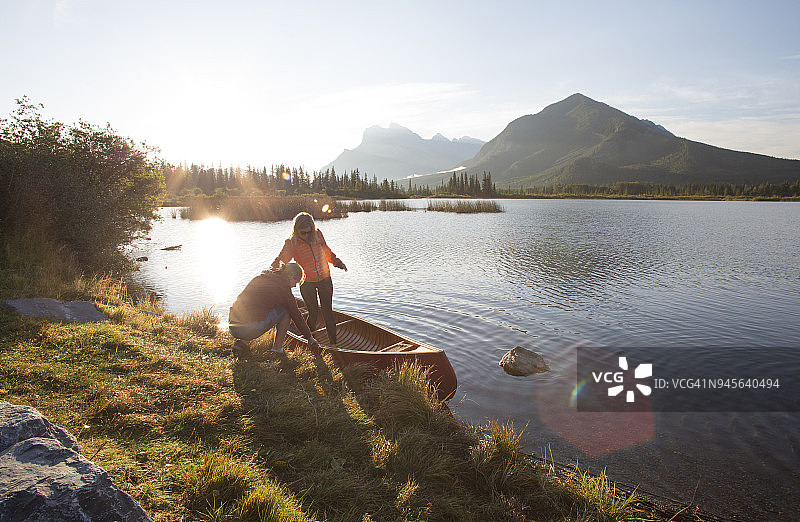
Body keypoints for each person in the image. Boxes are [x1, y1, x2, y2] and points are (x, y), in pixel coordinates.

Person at [271, 212, 347, 345]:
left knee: (327, 311)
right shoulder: (291, 243)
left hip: (325, 279)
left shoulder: (318, 235)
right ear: (296, 230)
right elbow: (281, 259)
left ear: (312, 229)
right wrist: (271, 271)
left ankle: (333, 343)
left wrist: (337, 262)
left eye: (309, 232)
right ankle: (310, 340)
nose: (306, 235)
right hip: (306, 282)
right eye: (303, 233)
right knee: (313, 312)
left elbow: (327, 251)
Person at [228, 262, 319, 356]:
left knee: (257, 310)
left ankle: (243, 342)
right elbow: (297, 316)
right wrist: (309, 337)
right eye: (296, 281)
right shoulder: (284, 290)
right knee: (287, 312)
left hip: (232, 324)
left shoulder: (261, 277)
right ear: (291, 276)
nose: (295, 286)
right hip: (246, 329)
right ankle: (277, 349)